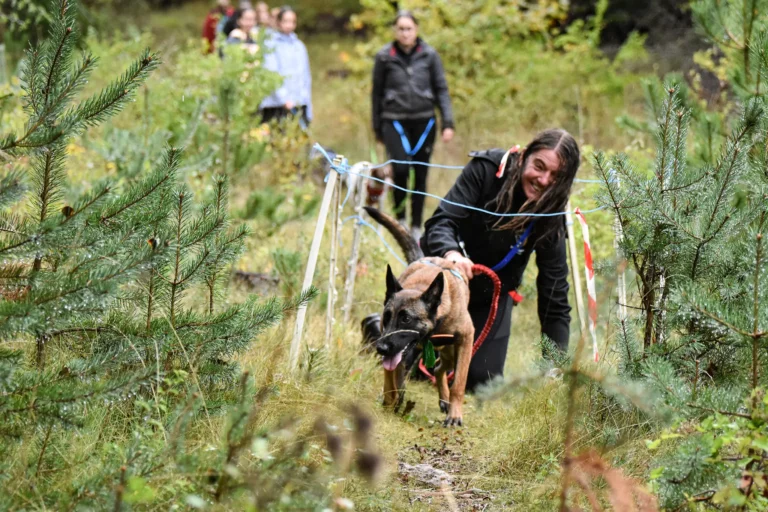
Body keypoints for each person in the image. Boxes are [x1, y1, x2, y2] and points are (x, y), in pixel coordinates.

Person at [420, 129, 580, 391]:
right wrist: (452, 255)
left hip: (491, 295)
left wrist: (555, 366)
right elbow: (440, 222)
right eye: (539, 166)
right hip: (442, 285)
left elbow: (555, 295)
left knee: (483, 383)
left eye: (555, 177)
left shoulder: (551, 214)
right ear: (524, 157)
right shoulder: (486, 169)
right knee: (411, 360)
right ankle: (379, 327)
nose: (543, 180)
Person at [371, 10, 455, 240]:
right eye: (401, 29)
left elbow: (441, 89)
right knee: (399, 169)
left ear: (416, 30)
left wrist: (448, 122)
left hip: (424, 121)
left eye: (409, 28)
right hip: (393, 120)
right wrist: (377, 126)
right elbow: (376, 93)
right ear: (395, 31)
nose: (405, 33)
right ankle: (400, 220)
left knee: (420, 173)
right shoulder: (384, 56)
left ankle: (417, 226)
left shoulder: (429, 55)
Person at [259, 6, 312, 127]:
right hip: (277, 106)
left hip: (299, 103)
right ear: (278, 22)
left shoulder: (299, 46)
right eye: (285, 21)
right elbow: (271, 73)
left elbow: (305, 76)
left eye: (292, 21)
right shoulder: (271, 45)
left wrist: (306, 103)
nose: (289, 25)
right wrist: (284, 99)